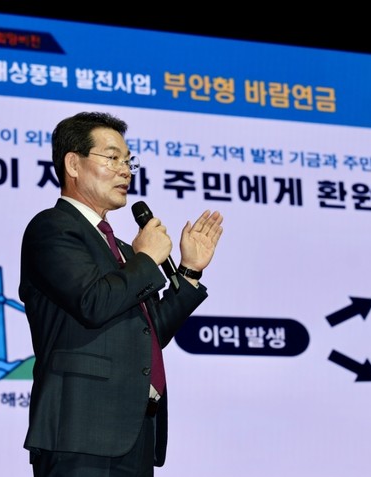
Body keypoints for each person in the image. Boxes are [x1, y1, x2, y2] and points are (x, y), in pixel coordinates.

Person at [19, 111, 224, 476]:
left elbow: (150, 331)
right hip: (80, 433)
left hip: (134, 432)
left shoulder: (125, 251)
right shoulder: (52, 229)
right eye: (113, 158)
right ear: (73, 164)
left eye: (128, 161)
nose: (126, 171)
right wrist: (146, 259)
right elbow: (93, 303)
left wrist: (190, 271)